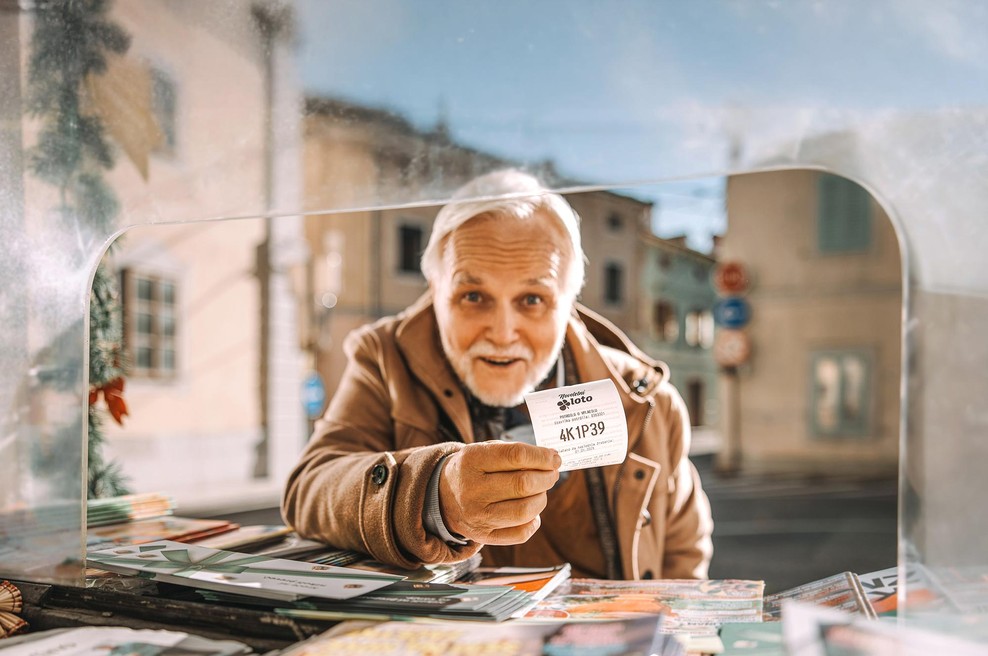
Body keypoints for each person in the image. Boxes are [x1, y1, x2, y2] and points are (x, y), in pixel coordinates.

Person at [282, 169, 713, 580]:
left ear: (569, 302)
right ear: (435, 291)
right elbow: (310, 488)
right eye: (473, 296)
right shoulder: (386, 359)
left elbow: (684, 565)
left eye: (532, 299)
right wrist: (430, 495)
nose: (503, 333)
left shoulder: (647, 403)